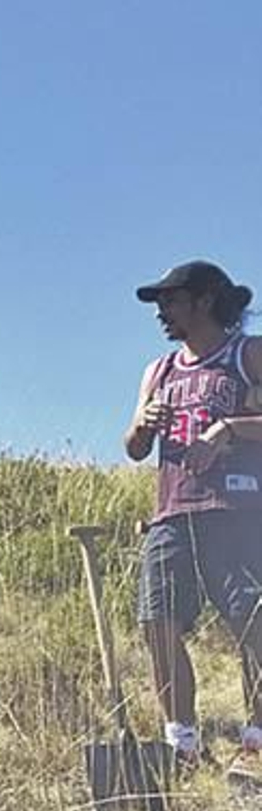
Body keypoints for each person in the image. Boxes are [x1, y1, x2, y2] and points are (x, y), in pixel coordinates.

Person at [124, 260, 262, 765]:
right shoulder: (158, 371)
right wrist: (142, 423)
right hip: (171, 511)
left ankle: (256, 738)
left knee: (253, 620)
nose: (162, 312)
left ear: (205, 300)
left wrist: (229, 429)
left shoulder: (248, 354)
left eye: (171, 300)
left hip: (240, 511)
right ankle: (181, 741)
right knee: (156, 620)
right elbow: (135, 448)